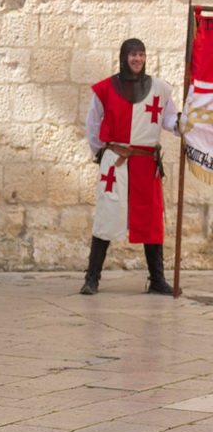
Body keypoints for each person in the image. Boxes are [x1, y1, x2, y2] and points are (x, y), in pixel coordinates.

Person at [82, 38, 179, 296]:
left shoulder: (160, 88)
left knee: (150, 219)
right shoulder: (105, 89)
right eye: (133, 55)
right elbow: (92, 125)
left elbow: (169, 118)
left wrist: (182, 125)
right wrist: (101, 154)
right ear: (124, 57)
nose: (137, 59)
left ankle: (157, 280)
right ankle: (92, 279)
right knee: (106, 216)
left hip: (146, 164)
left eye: (141, 55)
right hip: (115, 162)